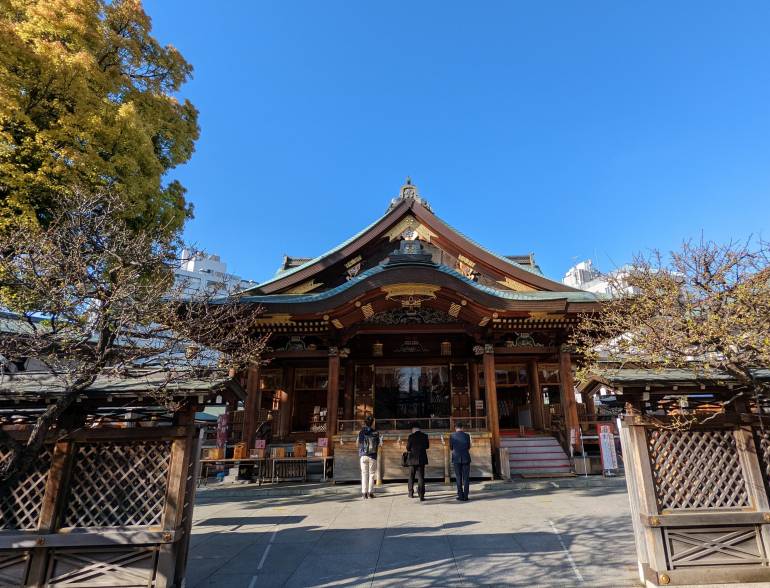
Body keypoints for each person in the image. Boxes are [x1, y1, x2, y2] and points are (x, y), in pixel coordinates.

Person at [406, 423, 429, 501]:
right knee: (421, 477)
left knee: (411, 476)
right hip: (421, 459)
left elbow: (408, 448)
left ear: (413, 429)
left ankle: (410, 493)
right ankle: (421, 495)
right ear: (419, 429)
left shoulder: (411, 437)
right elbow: (427, 446)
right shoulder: (425, 436)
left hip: (412, 459)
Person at [358, 415, 379, 499]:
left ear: (365, 422)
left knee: (364, 474)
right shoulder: (376, 432)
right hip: (373, 455)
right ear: (372, 422)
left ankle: (364, 493)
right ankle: (370, 492)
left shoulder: (361, 432)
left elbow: (360, 442)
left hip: (363, 455)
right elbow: (377, 443)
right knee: (372, 474)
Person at [450, 422, 472, 501]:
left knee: (458, 477)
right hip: (466, 458)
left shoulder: (452, 436)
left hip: (456, 458)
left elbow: (451, 447)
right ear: (462, 428)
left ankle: (460, 495)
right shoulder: (467, 435)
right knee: (466, 478)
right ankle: (466, 496)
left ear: (455, 428)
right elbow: (469, 447)